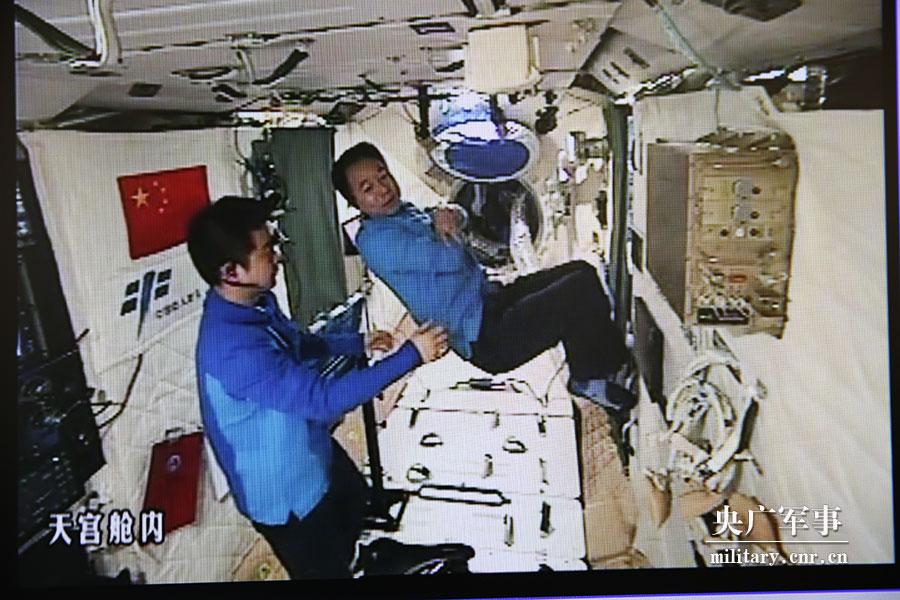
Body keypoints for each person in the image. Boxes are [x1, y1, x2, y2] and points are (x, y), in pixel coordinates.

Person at [186, 196, 448, 579]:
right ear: (231, 272)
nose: (278, 255)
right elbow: (323, 400)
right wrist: (412, 355)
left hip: (313, 454)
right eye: (267, 250)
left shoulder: (257, 302)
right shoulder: (231, 349)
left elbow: (298, 343)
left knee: (355, 514)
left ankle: (362, 559)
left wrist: (356, 343)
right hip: (287, 498)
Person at [331, 143, 636, 417]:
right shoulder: (375, 242)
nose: (383, 189)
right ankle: (590, 377)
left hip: (492, 299)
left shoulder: (403, 212)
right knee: (576, 292)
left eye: (383, 175)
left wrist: (451, 216)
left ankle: (606, 362)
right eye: (367, 188)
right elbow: (449, 259)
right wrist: (447, 225)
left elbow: (458, 216)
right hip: (484, 337)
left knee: (581, 272)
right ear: (354, 202)